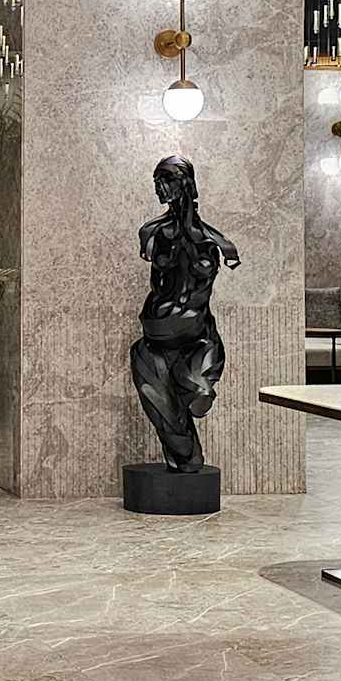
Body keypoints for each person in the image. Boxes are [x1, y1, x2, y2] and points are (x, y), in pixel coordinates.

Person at [129, 155, 240, 473]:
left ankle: (197, 388)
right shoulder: (151, 232)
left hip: (196, 339)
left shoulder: (215, 241)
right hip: (154, 341)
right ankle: (185, 460)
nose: (159, 188)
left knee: (194, 392)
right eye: (156, 182)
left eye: (165, 180)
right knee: (174, 431)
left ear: (185, 183)